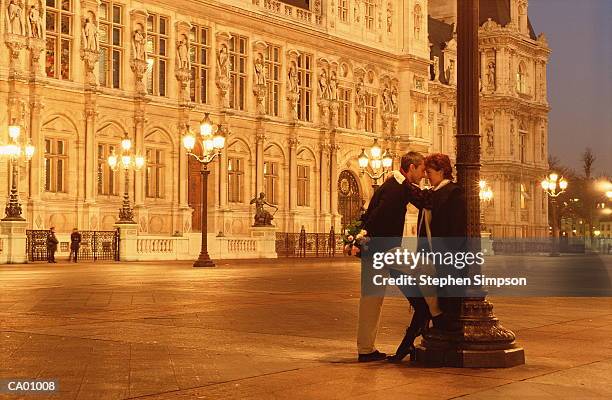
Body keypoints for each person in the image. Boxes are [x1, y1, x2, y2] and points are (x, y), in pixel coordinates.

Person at [388, 153, 467, 361]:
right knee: (424, 302)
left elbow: (456, 231)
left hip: (444, 261)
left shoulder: (453, 193)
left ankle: (409, 345)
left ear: (441, 171)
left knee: (429, 304)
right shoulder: (433, 194)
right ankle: (411, 341)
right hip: (428, 260)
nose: (426, 177)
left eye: (429, 173)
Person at [356, 151, 429, 362]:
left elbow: (419, 198)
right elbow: (378, 216)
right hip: (382, 250)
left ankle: (366, 348)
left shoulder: (394, 184)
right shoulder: (397, 188)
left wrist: (361, 237)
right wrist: (365, 237)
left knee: (371, 299)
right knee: (425, 269)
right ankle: (366, 349)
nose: (423, 175)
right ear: (411, 168)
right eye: (422, 170)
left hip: (377, 249)